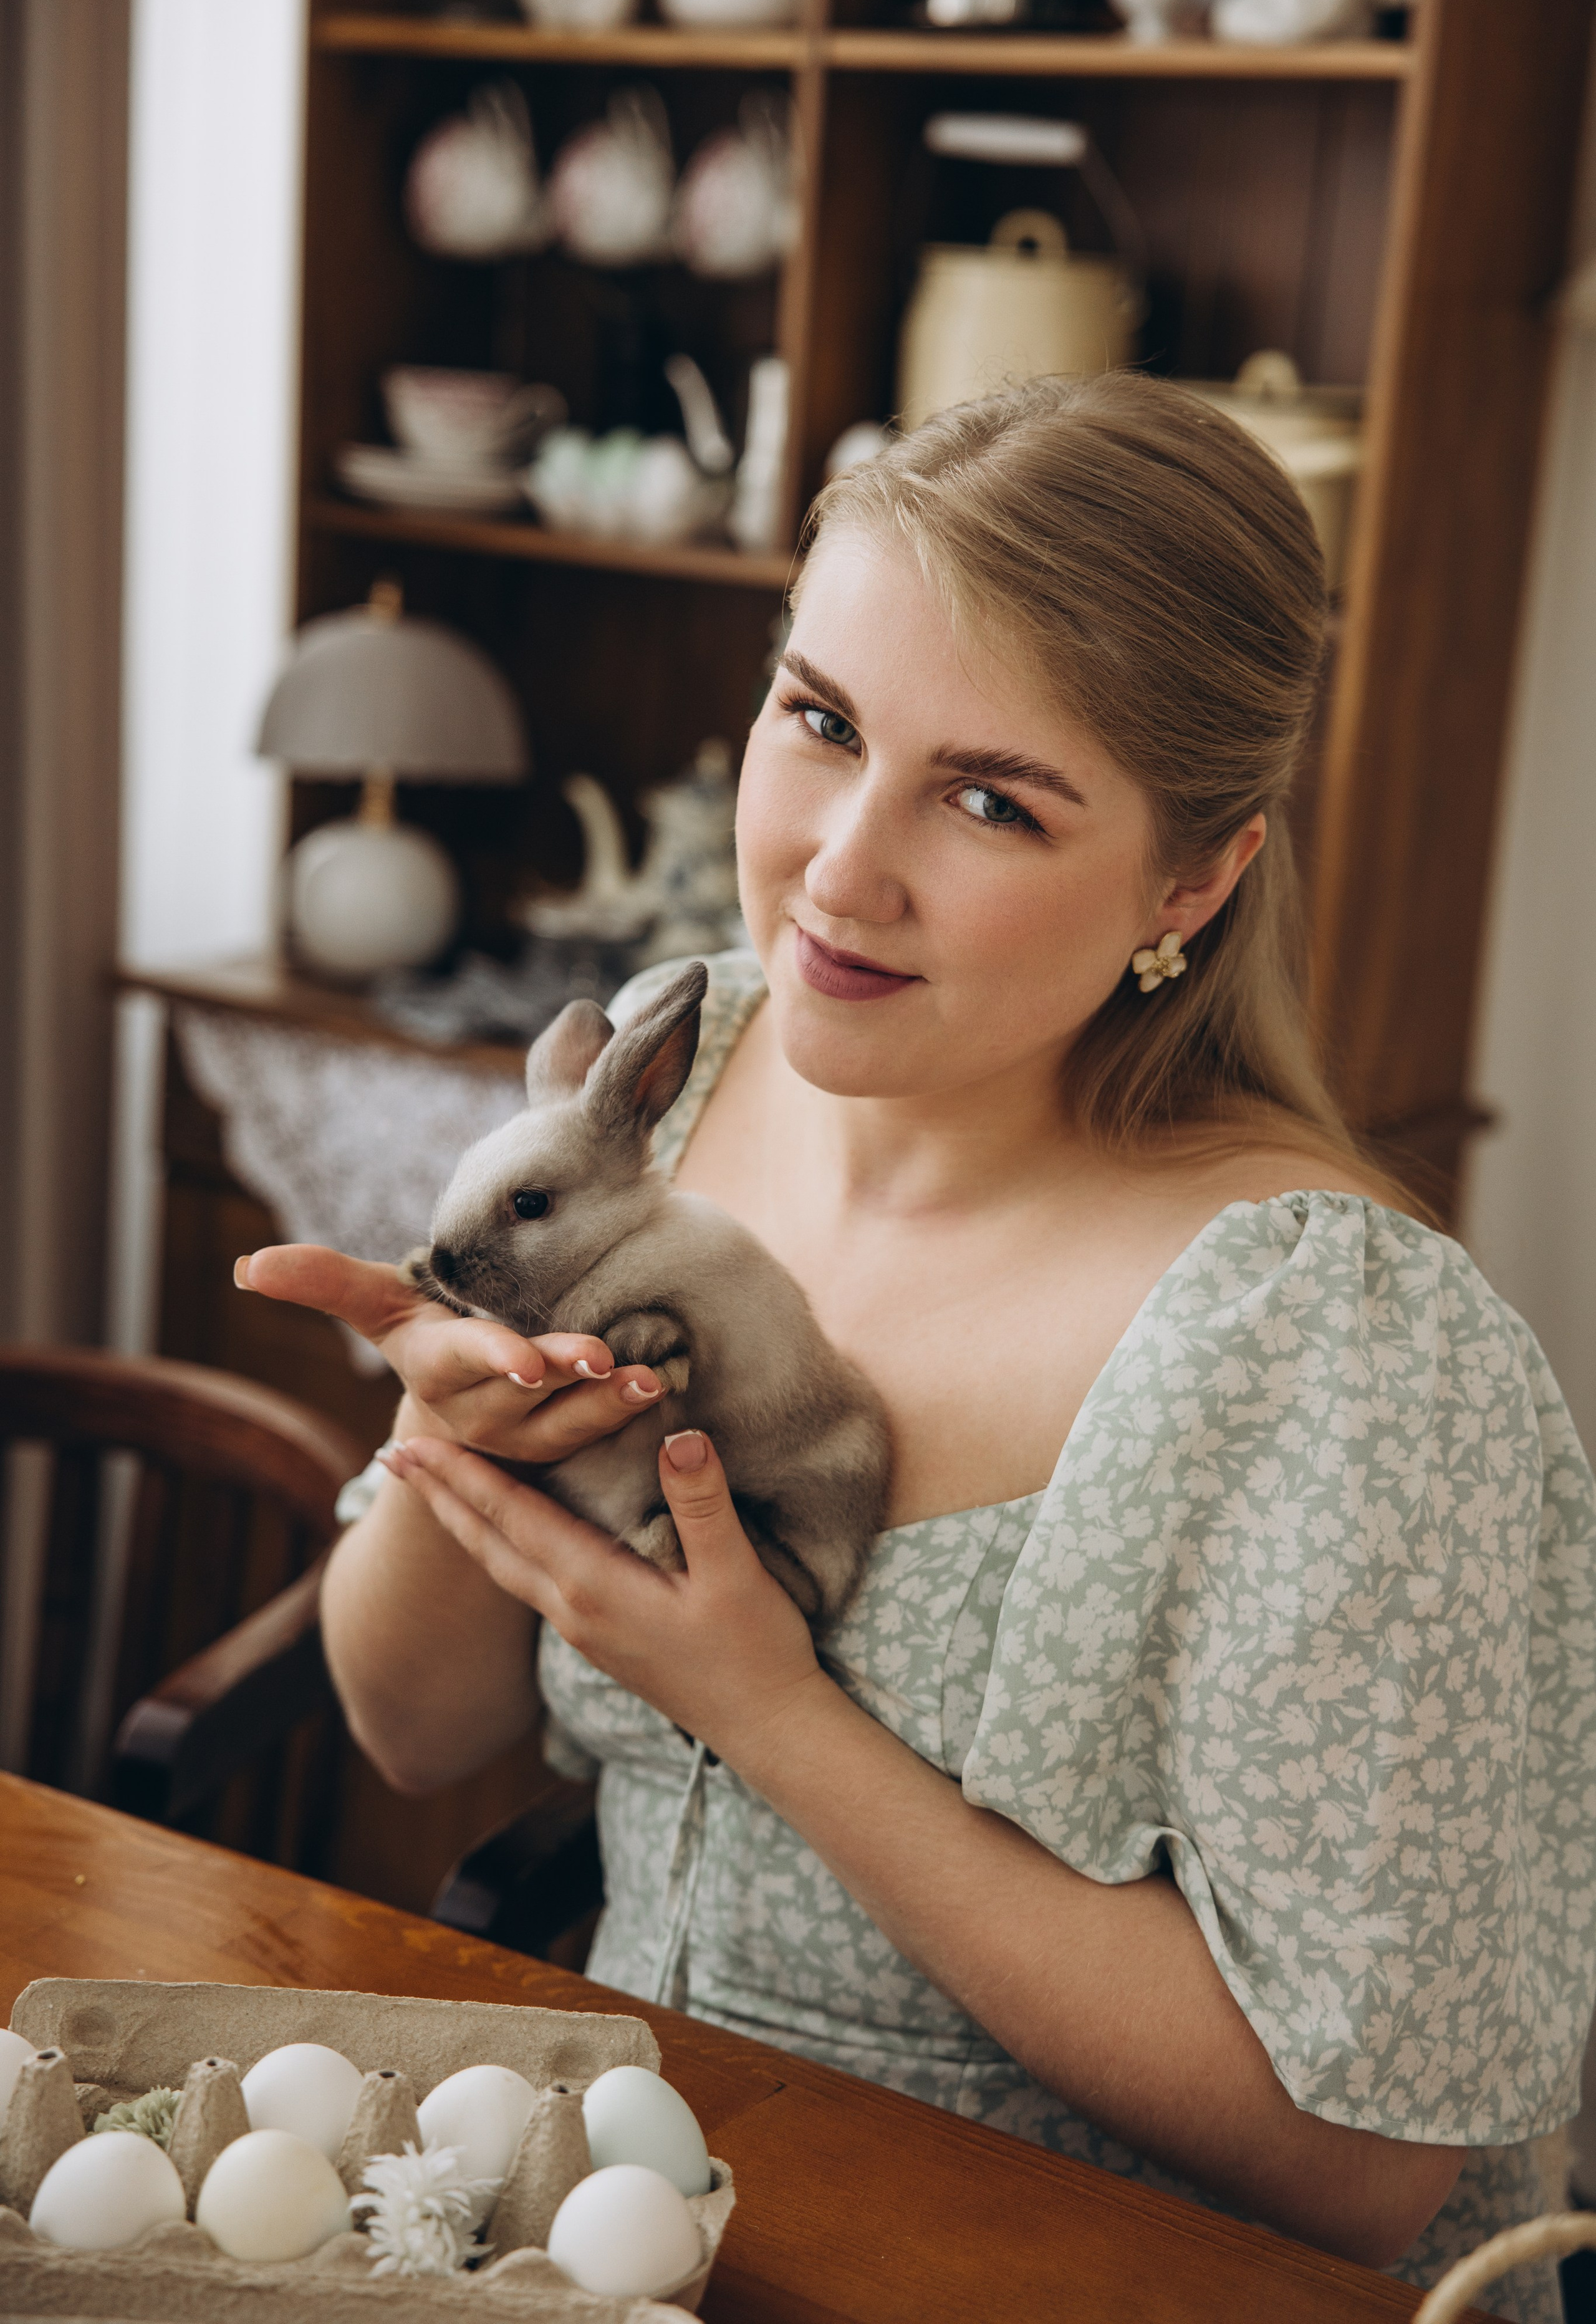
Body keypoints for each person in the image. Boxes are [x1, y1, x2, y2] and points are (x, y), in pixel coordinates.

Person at [239, 375, 1596, 2324]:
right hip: (637, 2238)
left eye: (990, 799)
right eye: (821, 722)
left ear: (1192, 881)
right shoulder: (667, 1083)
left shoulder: (1343, 1348)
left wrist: (781, 1717)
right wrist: (462, 1457)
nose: (833, 873)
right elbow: (414, 1726)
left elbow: (1358, 2164)